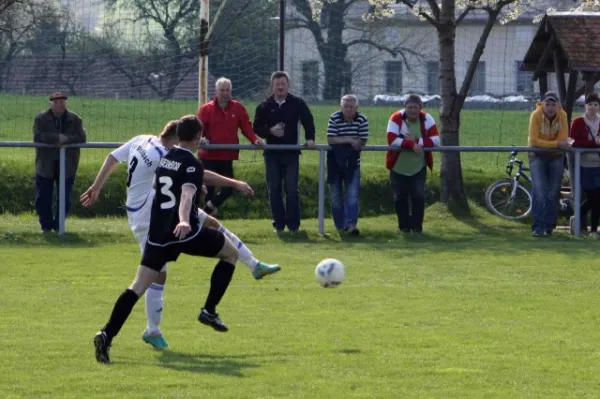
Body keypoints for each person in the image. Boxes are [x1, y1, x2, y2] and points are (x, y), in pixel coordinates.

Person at [82, 121, 280, 351]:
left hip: (157, 232)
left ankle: (107, 334)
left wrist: (213, 185)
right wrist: (186, 218)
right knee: (229, 254)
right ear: (196, 137)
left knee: (138, 286)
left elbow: (186, 179)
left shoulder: (161, 153)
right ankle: (208, 310)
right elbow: (187, 192)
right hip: (177, 229)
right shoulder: (183, 160)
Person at [253, 71, 316, 233]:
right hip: (271, 154)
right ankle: (279, 225)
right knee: (274, 189)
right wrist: (270, 131)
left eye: (283, 84)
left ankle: (294, 226)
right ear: (272, 86)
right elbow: (256, 127)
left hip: (291, 154)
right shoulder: (264, 105)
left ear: (289, 85)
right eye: (277, 84)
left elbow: (308, 121)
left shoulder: (298, 103)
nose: (280, 87)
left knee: (291, 189)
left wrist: (310, 138)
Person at [197, 77, 265, 216]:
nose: (225, 93)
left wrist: (255, 140)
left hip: (227, 155)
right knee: (209, 189)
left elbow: (246, 127)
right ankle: (208, 224)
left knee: (229, 188)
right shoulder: (207, 109)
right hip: (209, 156)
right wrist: (201, 139)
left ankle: (207, 210)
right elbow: (198, 130)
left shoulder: (238, 107)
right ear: (216, 91)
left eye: (228, 90)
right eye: (222, 90)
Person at [385, 94, 440, 234]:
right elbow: (391, 139)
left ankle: (417, 228)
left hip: (418, 167)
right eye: (409, 107)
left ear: (420, 108)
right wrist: (410, 144)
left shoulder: (428, 119)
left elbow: (436, 140)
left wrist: (415, 142)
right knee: (399, 198)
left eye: (415, 107)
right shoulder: (395, 118)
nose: (412, 111)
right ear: (405, 107)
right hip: (398, 167)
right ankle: (403, 227)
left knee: (418, 197)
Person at [33, 92, 86, 233]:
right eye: (56, 102)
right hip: (46, 164)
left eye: (62, 102)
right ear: (50, 103)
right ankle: (46, 226)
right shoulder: (41, 118)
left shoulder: (75, 119)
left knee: (65, 198)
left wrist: (66, 139)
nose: (59, 104)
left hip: (67, 165)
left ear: (66, 103)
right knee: (43, 197)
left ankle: (58, 226)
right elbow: (37, 136)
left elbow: (82, 137)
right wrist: (56, 137)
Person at [528, 91, 571, 237]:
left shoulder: (562, 115)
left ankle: (549, 227)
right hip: (537, 156)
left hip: (556, 157)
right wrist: (556, 144)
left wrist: (553, 144)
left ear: (558, 105)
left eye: (553, 104)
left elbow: (563, 138)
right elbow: (534, 141)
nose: (550, 108)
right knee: (539, 190)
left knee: (553, 192)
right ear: (543, 104)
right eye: (548, 104)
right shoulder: (535, 115)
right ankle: (537, 227)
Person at [326, 94, 369, 235]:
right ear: (341, 107)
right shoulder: (334, 118)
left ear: (357, 107)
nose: (349, 109)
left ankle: (350, 225)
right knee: (335, 196)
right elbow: (331, 139)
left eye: (351, 107)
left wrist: (343, 141)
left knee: (352, 195)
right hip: (334, 163)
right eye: (346, 106)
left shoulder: (362, 120)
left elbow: (361, 142)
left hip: (352, 163)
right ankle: (340, 226)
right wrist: (350, 140)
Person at [570, 92, 600, 236]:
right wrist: (593, 143)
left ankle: (593, 229)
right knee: (593, 197)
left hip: (598, 165)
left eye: (595, 104)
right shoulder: (578, 122)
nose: (592, 107)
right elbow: (574, 142)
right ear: (585, 106)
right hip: (584, 165)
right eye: (590, 104)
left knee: (596, 198)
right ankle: (582, 222)